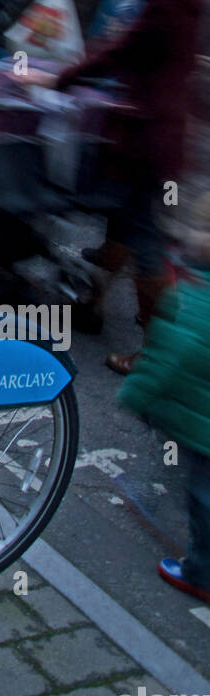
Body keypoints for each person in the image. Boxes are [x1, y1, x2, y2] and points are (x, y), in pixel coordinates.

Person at [21, 0, 204, 372]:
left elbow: (124, 52)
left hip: (150, 137)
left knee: (145, 240)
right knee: (125, 227)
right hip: (156, 132)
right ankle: (93, 301)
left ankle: (158, 353)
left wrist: (57, 80)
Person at [118, 191, 210, 604]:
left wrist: (135, 396)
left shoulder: (191, 300)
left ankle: (200, 574)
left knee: (202, 498)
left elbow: (165, 358)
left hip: (202, 431)